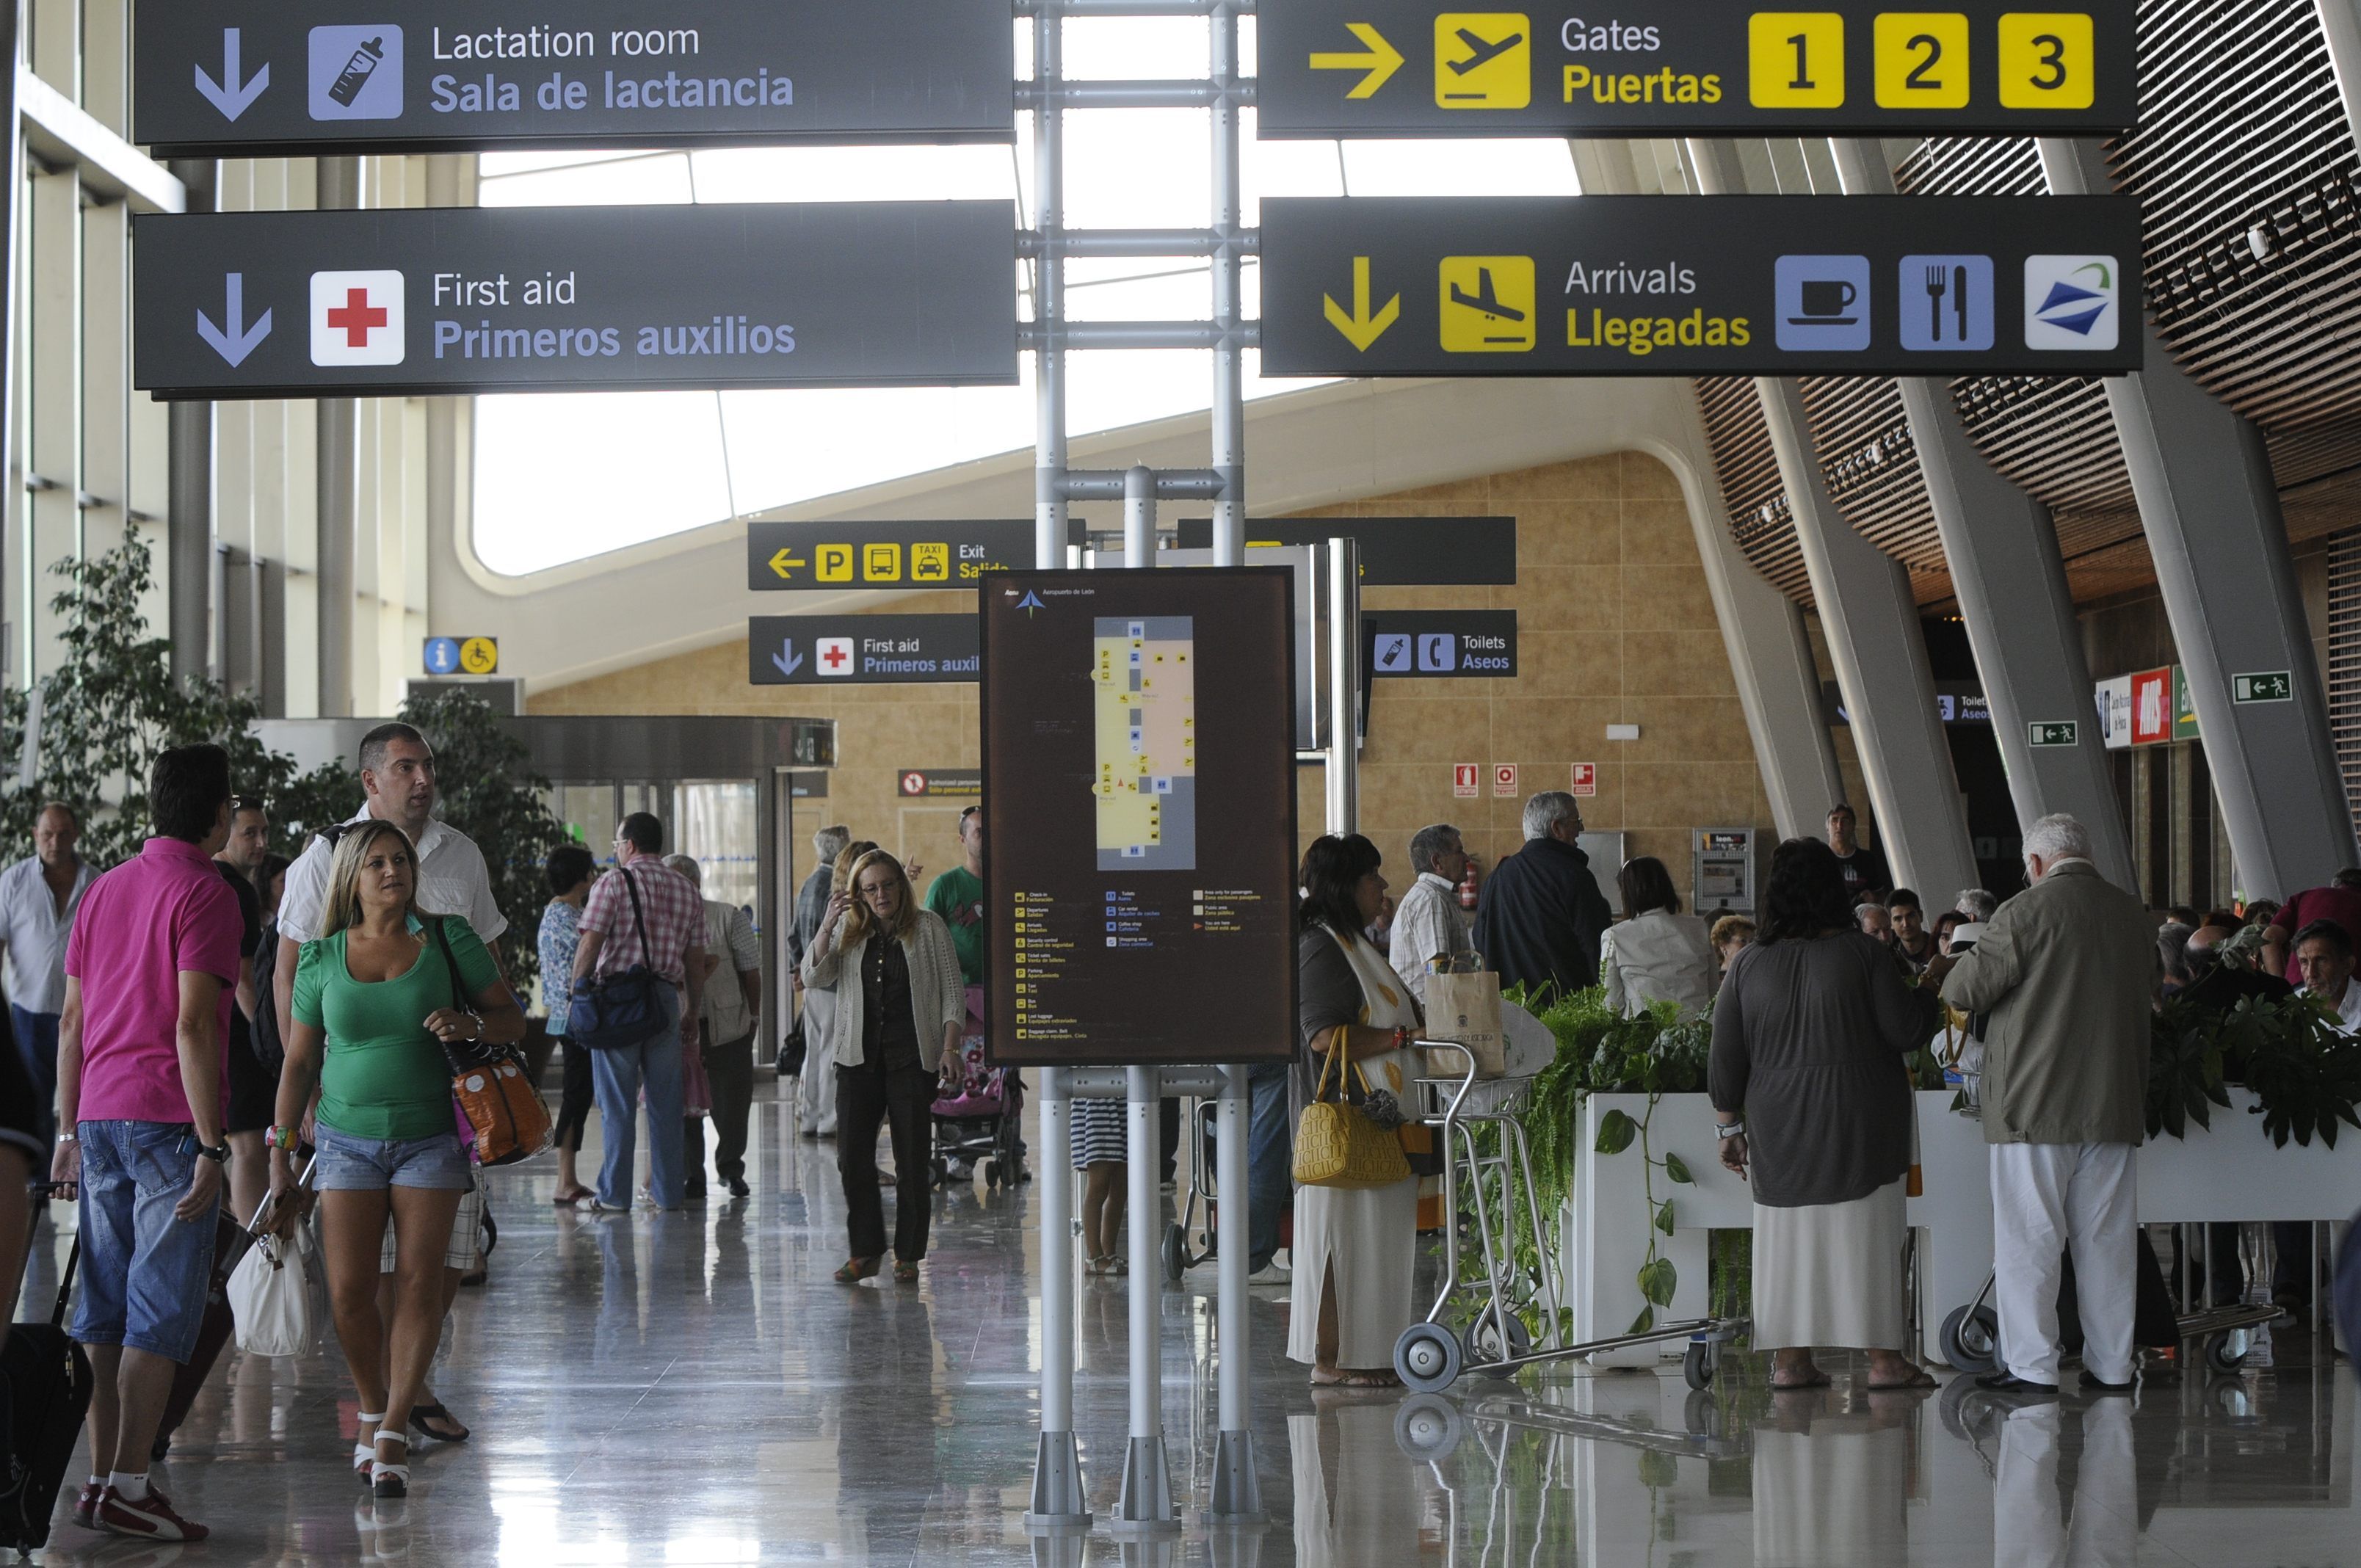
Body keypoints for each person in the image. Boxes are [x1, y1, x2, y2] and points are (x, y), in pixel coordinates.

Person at [268, 819, 523, 1499]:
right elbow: (298, 1062)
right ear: (351, 877)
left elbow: (511, 1018)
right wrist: (281, 1151)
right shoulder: (321, 956)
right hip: (344, 1142)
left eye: (401, 861)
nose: (393, 872)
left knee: (419, 1283)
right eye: (378, 863)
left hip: (431, 1138)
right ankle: (374, 1403)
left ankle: (391, 1430)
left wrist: (470, 1023)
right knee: (349, 1292)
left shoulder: (448, 938)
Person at [48, 745, 243, 1542]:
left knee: (102, 1307)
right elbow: (194, 1025)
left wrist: (68, 1130)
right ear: (218, 814)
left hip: (98, 1117)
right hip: (169, 1123)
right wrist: (213, 1147)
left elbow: (72, 1021)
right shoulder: (207, 892)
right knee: (158, 1310)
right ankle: (130, 1483)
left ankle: (101, 1480)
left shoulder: (103, 890)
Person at [1709, 837, 1943, 1391]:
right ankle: (1884, 1363)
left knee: (1787, 1242)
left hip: (1778, 1126)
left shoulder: (1748, 965)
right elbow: (1907, 1030)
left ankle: (1791, 1362)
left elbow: (1725, 1055)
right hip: (1861, 1120)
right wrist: (1931, 983)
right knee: (1868, 1237)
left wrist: (1728, 1128)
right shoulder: (1864, 955)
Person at [1941, 813, 2154, 1395]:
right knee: (2108, 1245)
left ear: (2036, 864)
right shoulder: (2131, 914)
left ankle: (2033, 1367)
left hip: (2032, 1107)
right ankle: (2112, 1367)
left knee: (2030, 1239)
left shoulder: (2025, 911)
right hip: (2113, 1103)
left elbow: (1963, 990)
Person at [1291, 834, 1421, 1389]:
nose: (1384, 886)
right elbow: (1322, 1035)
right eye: (1373, 877)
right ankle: (1333, 1357)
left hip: (1380, 1121)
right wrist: (1400, 1038)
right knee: (1338, 1239)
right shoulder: (1321, 947)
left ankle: (1367, 1352)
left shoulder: (1352, 943)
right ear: (1346, 886)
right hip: (1345, 1121)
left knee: (1373, 1242)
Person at [799, 849, 962, 1284]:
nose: (881, 895)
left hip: (912, 1059)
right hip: (857, 1060)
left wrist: (950, 1047)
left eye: (888, 885)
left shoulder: (929, 927)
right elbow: (813, 977)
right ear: (858, 894)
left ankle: (908, 1254)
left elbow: (952, 993)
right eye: (870, 889)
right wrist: (828, 924)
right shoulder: (849, 931)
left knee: (912, 1160)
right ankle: (866, 1251)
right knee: (852, 1158)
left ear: (901, 886)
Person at [572, 813, 706, 1214]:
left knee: (618, 1103)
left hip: (619, 1001)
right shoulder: (686, 889)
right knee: (667, 1103)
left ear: (629, 845)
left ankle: (614, 1195)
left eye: (617, 844)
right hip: (665, 999)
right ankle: (668, 1194)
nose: (616, 851)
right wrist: (692, 1010)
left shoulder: (613, 882)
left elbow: (590, 943)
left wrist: (577, 993)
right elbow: (695, 959)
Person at [1, 801, 95, 1149]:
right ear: (35, 835)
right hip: (29, 1013)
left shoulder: (97, 883)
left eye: (63, 834)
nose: (55, 843)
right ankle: (39, 1179)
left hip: (84, 1013)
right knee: (35, 1105)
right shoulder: (13, 881)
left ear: (76, 835)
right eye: (48, 835)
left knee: (84, 1104)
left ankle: (79, 1172)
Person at [670, 854, 762, 1200]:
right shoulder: (658, 921)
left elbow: (750, 971)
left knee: (733, 1104)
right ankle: (692, 1175)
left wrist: (753, 1016)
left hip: (727, 1026)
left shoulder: (727, 916)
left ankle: (731, 1169)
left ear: (694, 883)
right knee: (685, 1106)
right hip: (679, 1030)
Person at [1471, 791, 1613, 1003]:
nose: (1581, 829)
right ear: (1557, 828)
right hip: (1566, 1012)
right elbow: (1598, 949)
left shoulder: (1496, 878)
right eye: (1576, 822)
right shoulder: (1573, 875)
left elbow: (1480, 941)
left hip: (1510, 1010)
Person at [214, 796, 273, 1226]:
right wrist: (267, 1041)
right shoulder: (236, 891)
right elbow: (244, 979)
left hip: (208, 1033)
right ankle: (255, 1247)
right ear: (225, 832)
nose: (261, 843)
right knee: (250, 1146)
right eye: (249, 833)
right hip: (237, 1036)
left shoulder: (201, 879)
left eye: (264, 832)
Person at [801, 836, 875, 1139]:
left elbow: (796, 934)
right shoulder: (850, 907)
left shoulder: (813, 887)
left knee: (815, 1053)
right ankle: (831, 1120)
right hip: (835, 989)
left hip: (814, 984)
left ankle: (810, 1118)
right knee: (833, 1054)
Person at [537, 844, 598, 1205]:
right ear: (583, 877)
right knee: (576, 1095)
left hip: (571, 1016)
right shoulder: (563, 916)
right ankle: (565, 1179)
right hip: (575, 1017)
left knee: (580, 1094)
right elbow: (592, 953)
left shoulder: (565, 912)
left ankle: (569, 1178)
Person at [1599, 857, 1713, 1018]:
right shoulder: (1699, 927)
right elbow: (1714, 990)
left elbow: (1611, 1005)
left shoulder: (1615, 936)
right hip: (1697, 1027)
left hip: (1645, 1029)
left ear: (1627, 894)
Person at [1388, 823, 1473, 1003]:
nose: (1467, 858)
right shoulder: (1431, 899)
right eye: (1459, 852)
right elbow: (1437, 969)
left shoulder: (1433, 895)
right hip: (1431, 1011)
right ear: (1437, 862)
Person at [2266, 870, 2361, 987]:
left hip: (2298, 986)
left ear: (2335, 885)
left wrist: (2281, 988)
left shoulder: (2305, 897)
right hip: (2345, 988)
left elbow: (2269, 937)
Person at [2293, 919, 2361, 1034]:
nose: (2311, 973)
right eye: (2304, 962)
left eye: (2321, 960)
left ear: (2348, 965)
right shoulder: (2293, 1007)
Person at [1825, 804, 1893, 904]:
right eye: (1834, 821)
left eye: (1845, 821)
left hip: (1863, 909)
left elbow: (1880, 894)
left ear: (1853, 827)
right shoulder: (1819, 857)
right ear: (1828, 828)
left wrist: (1872, 898)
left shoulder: (1867, 859)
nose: (1839, 826)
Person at [1886, 888, 1937, 975]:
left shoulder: (1941, 946)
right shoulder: (1889, 959)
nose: (1906, 924)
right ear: (1890, 923)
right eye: (1898, 919)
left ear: (1920, 916)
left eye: (1910, 916)